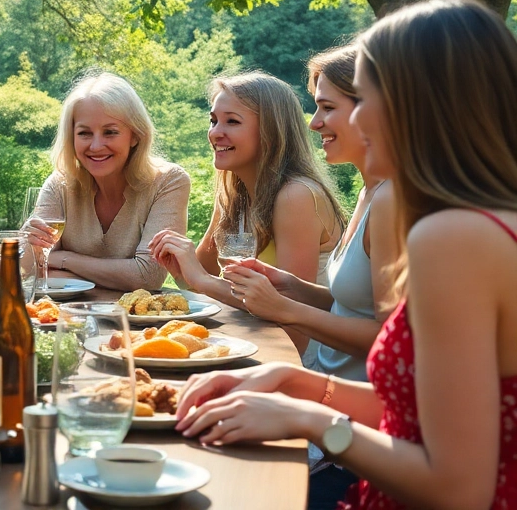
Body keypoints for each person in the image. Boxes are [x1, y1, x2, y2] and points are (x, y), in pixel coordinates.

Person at [172, 0, 517, 509]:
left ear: (414, 103)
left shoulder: (450, 238)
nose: (320, 123)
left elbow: (458, 488)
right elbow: (423, 413)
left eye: (363, 96)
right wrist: (291, 380)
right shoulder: (482, 223)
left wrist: (307, 418)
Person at [220, 46, 400, 508]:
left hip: (355, 438)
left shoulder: (392, 203)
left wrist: (286, 308)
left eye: (326, 108)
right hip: (332, 407)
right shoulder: (369, 191)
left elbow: (389, 341)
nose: (314, 123)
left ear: (375, 108)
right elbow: (350, 302)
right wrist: (292, 288)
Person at [149, 71, 345, 351]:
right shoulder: (233, 195)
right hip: (248, 343)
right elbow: (200, 285)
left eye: (232, 121)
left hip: (304, 360)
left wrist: (202, 279)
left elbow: (293, 325)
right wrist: (181, 268)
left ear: (271, 131)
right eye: (213, 120)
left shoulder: (296, 195)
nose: (215, 132)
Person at [23, 72, 189, 291]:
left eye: (110, 132)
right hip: (68, 320)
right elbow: (25, 273)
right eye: (84, 133)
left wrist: (64, 260)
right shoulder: (59, 185)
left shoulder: (169, 182)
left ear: (136, 135)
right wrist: (26, 244)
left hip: (137, 323)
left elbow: (147, 276)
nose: (96, 146)